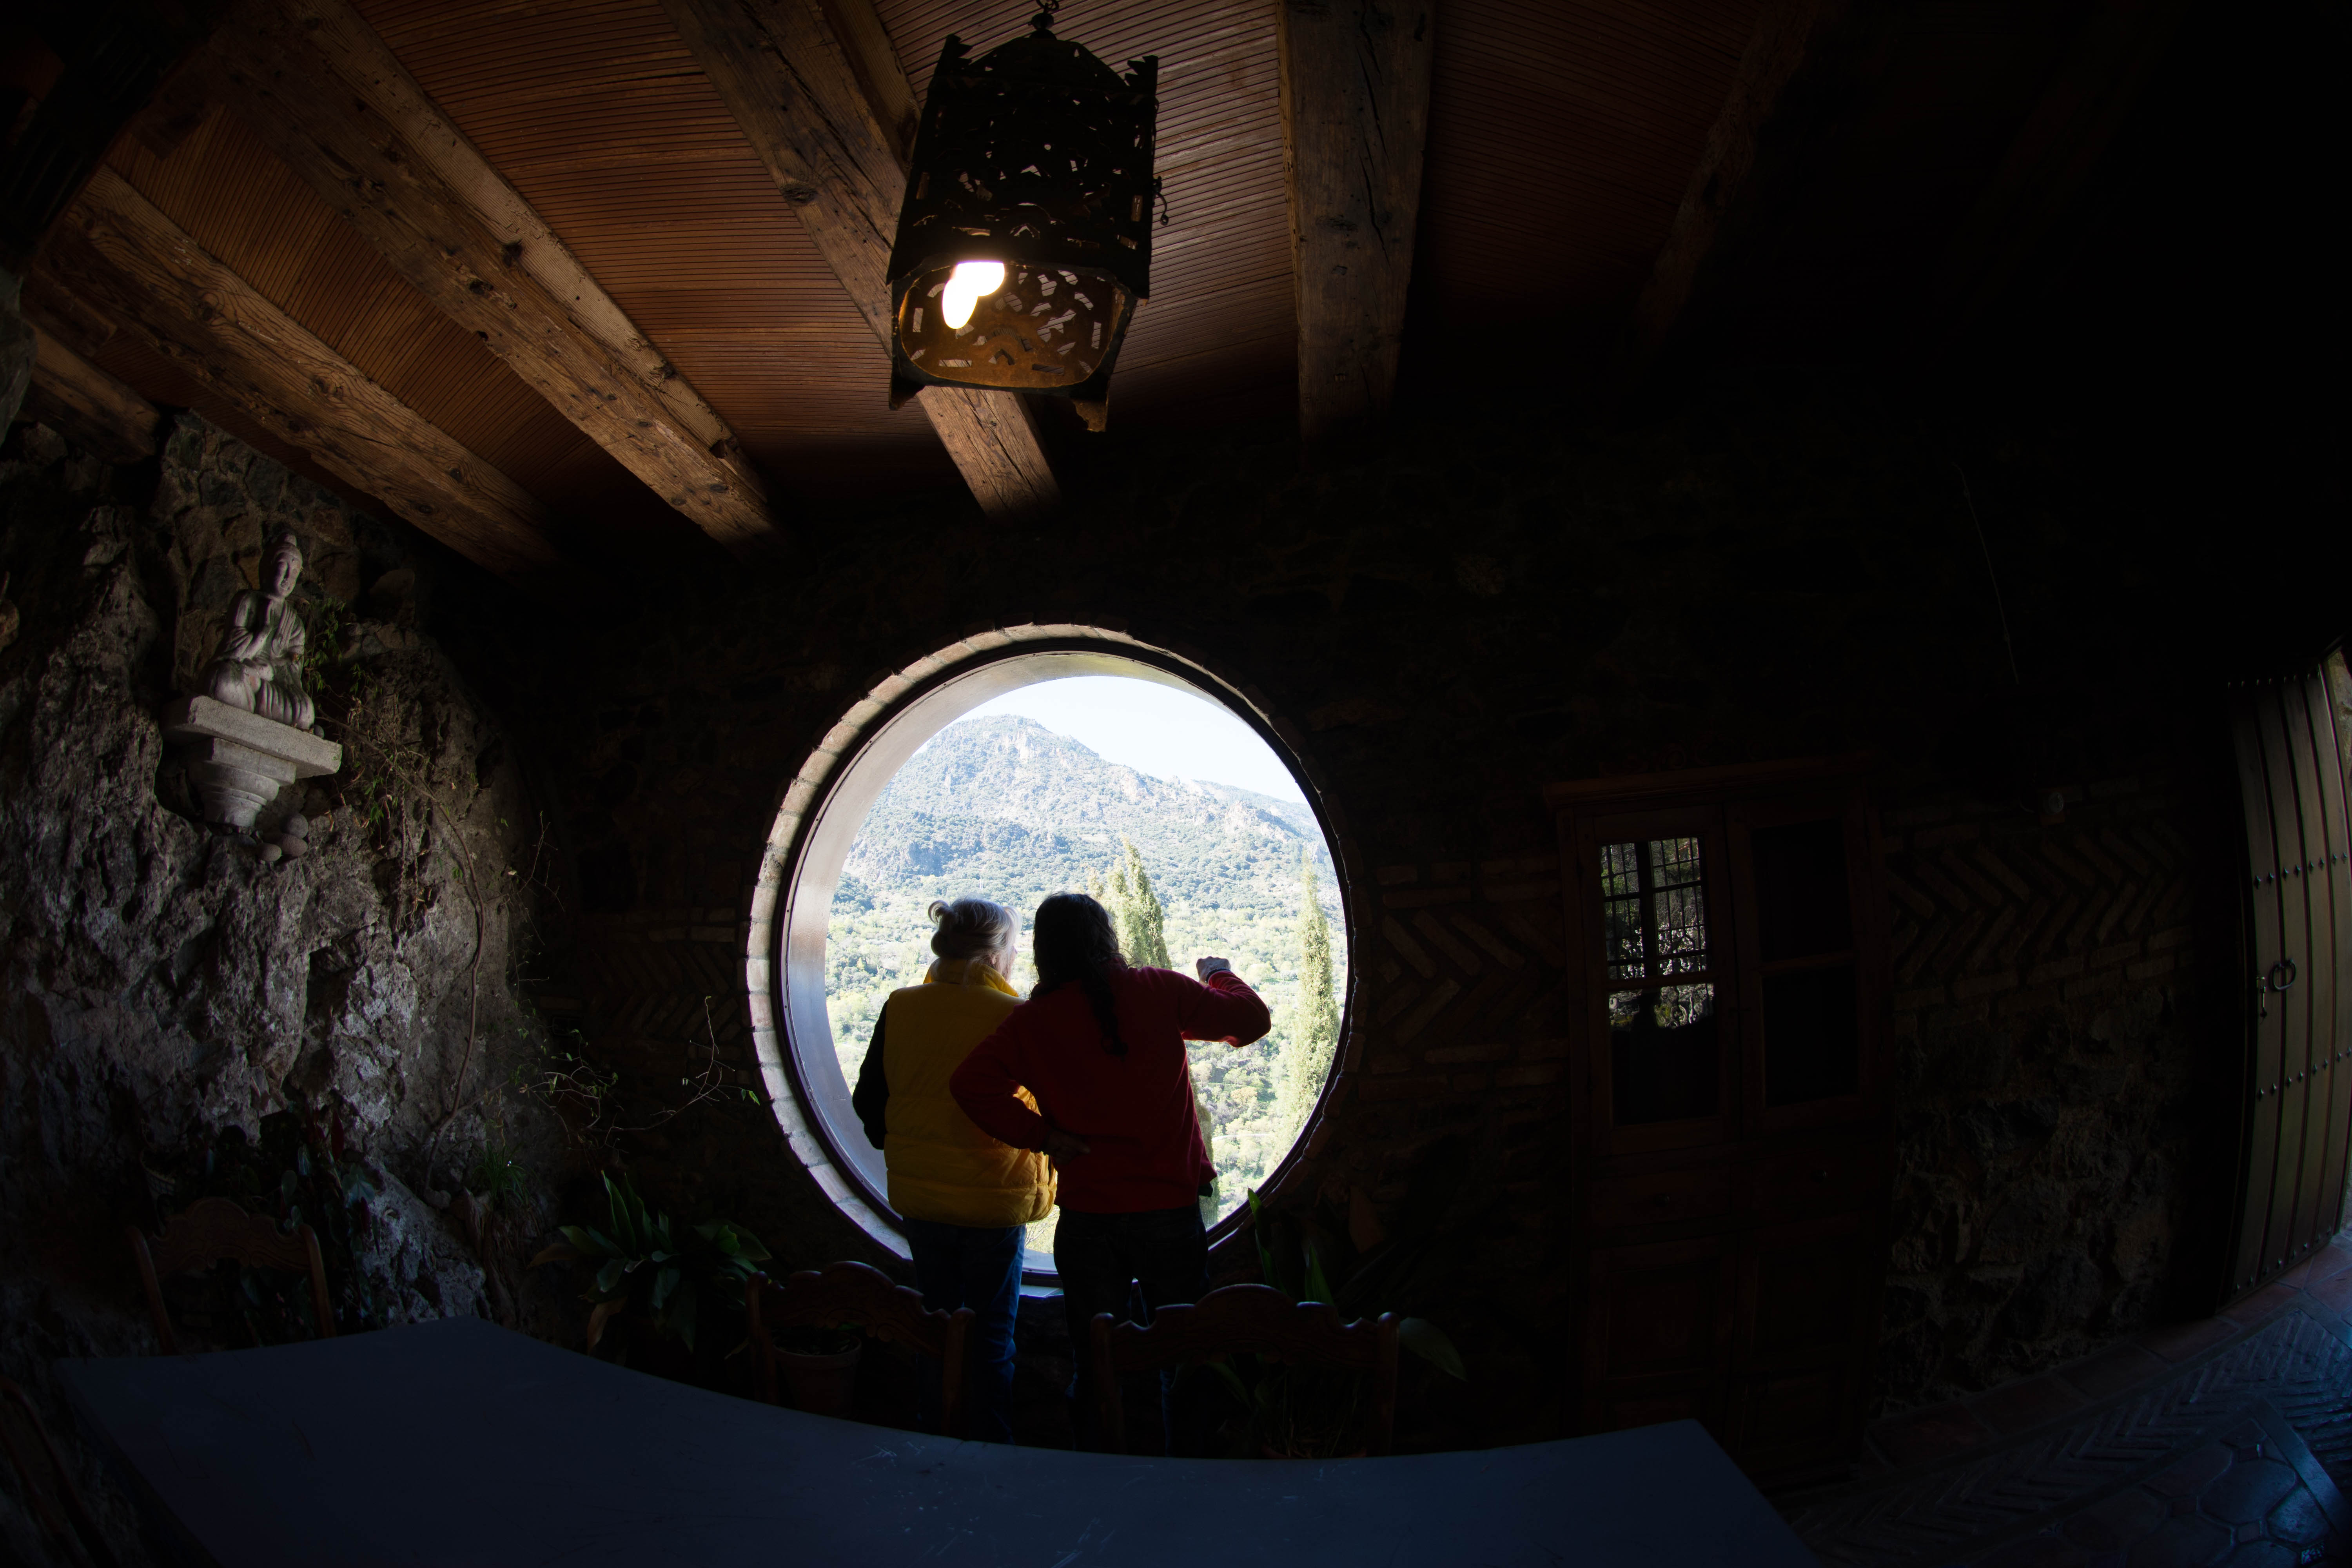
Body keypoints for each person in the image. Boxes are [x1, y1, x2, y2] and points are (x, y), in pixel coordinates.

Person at [950, 891, 1271, 1452]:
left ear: (1045, 951)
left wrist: (1045, 1137)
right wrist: (1218, 973)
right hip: (1168, 1211)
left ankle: (1096, 1476)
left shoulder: (1034, 1021)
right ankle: (1188, 1478)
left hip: (1088, 1216)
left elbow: (970, 1085)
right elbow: (1250, 1021)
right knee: (1187, 1359)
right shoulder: (1157, 990)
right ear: (1106, 937)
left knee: (1096, 1363)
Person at [850, 897, 1050, 1443]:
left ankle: (930, 1442)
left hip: (922, 1202)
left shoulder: (901, 1006)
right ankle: (990, 1455)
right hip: (994, 1202)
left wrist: (910, 1152)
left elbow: (869, 1101)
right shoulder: (1016, 1016)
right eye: (1013, 947)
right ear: (995, 954)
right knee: (991, 1340)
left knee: (933, 1333)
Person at [201, 531, 316, 730]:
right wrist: (262, 635)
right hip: (245, 674)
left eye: (294, 573)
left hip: (270, 685)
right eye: (283, 569)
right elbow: (232, 650)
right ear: (267, 569)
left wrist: (269, 670)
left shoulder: (296, 623)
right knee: (222, 678)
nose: (287, 578)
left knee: (306, 711)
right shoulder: (246, 601)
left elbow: (294, 668)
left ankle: (253, 704)